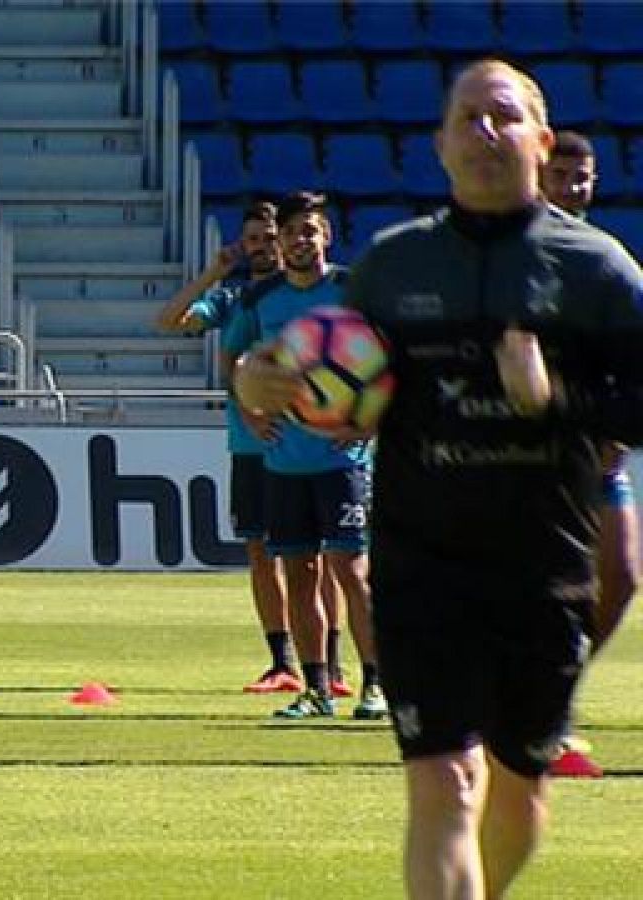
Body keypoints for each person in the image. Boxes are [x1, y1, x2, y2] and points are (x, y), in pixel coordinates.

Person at [236, 60, 643, 899]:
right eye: (468, 118)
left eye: (504, 116)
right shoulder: (395, 266)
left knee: (516, 786)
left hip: (545, 568)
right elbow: (321, 377)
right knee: (446, 783)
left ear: (541, 139)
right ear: (439, 145)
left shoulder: (597, 271)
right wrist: (258, 379)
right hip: (422, 565)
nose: (486, 132)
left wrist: (557, 400)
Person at [222, 192, 384, 722]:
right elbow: (233, 360)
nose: (300, 241)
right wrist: (251, 415)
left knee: (351, 571)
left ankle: (375, 686)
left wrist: (368, 422)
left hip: (342, 460)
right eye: (292, 232)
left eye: (310, 231)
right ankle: (316, 690)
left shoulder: (353, 291)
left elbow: (390, 361)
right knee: (299, 572)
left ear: (326, 236)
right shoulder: (261, 298)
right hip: (283, 461)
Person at [155, 201, 300, 693]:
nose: (261, 248)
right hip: (250, 446)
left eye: (269, 237)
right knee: (261, 553)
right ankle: (282, 661)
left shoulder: (306, 295)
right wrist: (213, 272)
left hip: (303, 442)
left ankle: (327, 664)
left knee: (316, 558)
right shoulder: (232, 297)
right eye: (252, 240)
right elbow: (168, 320)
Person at [537, 131, 638, 779]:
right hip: (537, 453)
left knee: (621, 576)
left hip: (598, 448)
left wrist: (616, 424)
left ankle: (551, 695)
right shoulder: (525, 254)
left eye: (583, 176)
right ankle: (541, 719)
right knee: (548, 587)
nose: (574, 187)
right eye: (562, 175)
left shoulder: (601, 257)